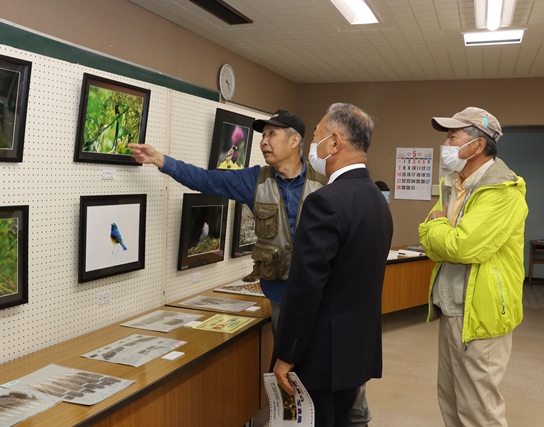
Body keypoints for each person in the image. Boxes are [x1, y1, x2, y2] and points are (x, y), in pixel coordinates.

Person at [129, 109, 327, 335]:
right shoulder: (254, 180)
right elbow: (205, 180)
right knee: (285, 360)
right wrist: (161, 160)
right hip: (280, 293)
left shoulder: (325, 181)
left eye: (271, 134)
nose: (263, 142)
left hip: (321, 291)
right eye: (263, 136)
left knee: (319, 360)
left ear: (294, 140)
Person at [272, 103, 394, 427]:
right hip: (357, 349)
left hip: (322, 357)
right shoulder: (377, 201)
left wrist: (287, 355)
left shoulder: (324, 202)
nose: (312, 146)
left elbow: (306, 288)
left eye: (316, 136)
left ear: (335, 143)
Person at [418, 107, 528, 427]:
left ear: (478, 146)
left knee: (479, 408)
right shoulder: (455, 183)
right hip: (453, 307)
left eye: (454, 136)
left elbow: (463, 247)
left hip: (481, 312)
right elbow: (431, 238)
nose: (447, 143)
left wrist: (438, 229)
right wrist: (438, 231)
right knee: (451, 398)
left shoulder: (501, 190)